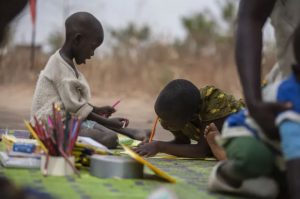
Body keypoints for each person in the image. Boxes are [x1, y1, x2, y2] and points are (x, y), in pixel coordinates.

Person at [208, 0, 300, 198]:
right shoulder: (290, 102)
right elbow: (250, 16)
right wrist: (255, 103)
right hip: (253, 130)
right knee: (255, 159)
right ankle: (227, 176)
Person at [31, 12, 149, 149]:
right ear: (77, 40)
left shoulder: (65, 64)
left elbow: (76, 105)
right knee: (109, 138)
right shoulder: (60, 69)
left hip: (69, 120)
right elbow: (77, 109)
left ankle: (132, 132)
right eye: (92, 47)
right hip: (52, 126)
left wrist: (97, 110)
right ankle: (130, 132)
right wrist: (108, 122)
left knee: (99, 127)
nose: (92, 53)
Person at [133, 79, 244, 160]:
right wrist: (150, 147)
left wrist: (159, 146)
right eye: (160, 118)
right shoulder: (183, 112)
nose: (164, 125)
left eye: (169, 122)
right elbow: (181, 142)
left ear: (192, 117)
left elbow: (201, 151)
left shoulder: (213, 102)